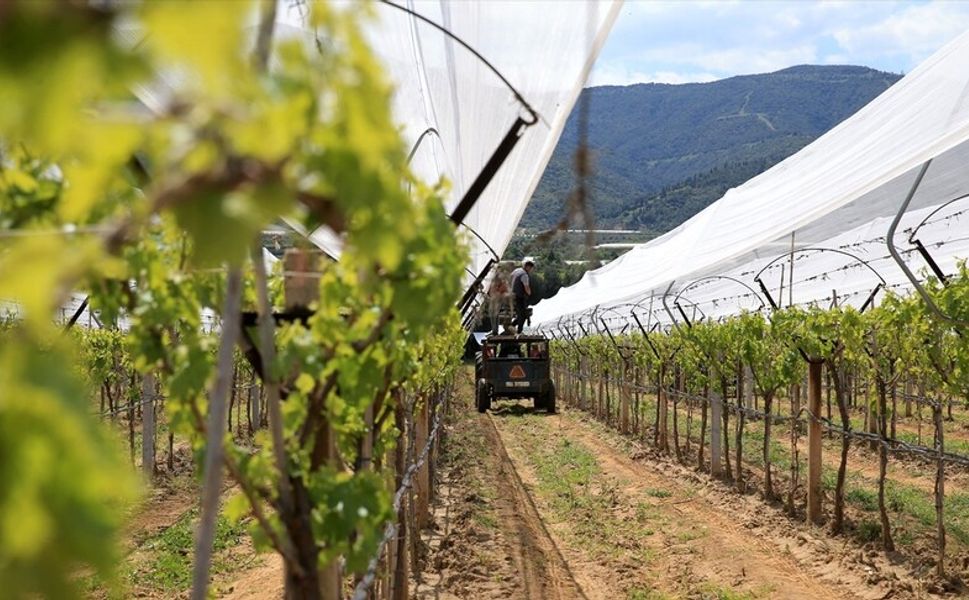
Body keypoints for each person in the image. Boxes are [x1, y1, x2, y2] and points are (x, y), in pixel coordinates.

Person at [510, 259, 534, 334]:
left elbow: (510, 278)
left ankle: (512, 326)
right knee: (523, 315)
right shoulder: (524, 275)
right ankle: (518, 331)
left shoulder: (517, 270)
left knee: (520, 313)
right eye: (531, 268)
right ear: (528, 267)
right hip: (519, 296)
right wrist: (530, 294)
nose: (531, 270)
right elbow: (526, 287)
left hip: (512, 295)